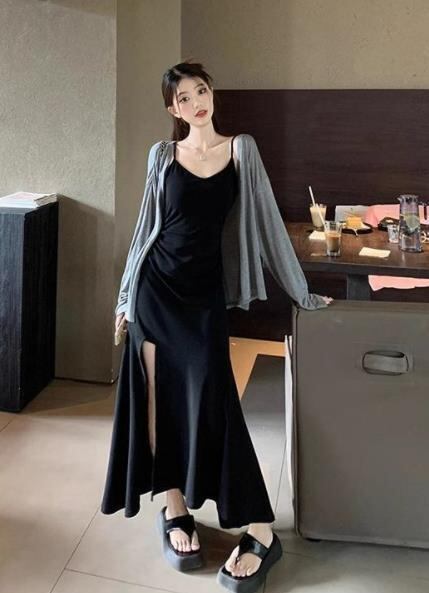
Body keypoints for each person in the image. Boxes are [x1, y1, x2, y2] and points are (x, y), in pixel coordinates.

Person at [101, 60, 333, 592]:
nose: (195, 102)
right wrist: (124, 297)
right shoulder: (162, 156)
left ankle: (259, 526)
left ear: (211, 94)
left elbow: (268, 223)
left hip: (202, 296)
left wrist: (299, 291)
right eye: (183, 98)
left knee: (215, 399)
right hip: (155, 292)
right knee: (157, 403)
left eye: (200, 91)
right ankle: (173, 505)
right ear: (173, 109)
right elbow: (145, 228)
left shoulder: (241, 150)